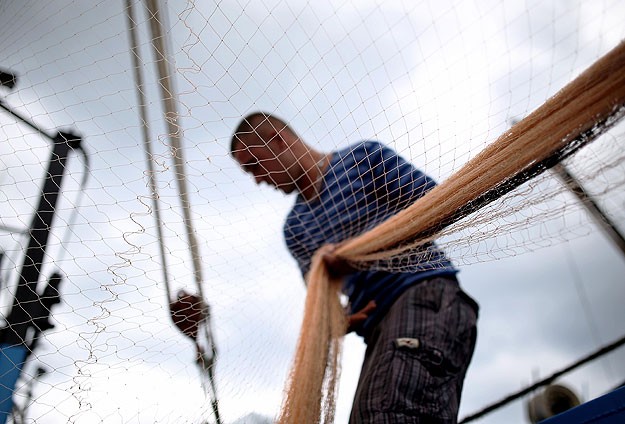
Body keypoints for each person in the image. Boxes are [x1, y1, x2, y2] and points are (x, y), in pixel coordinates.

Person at [230, 112, 479, 424]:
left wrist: (355, 253)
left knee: (386, 415)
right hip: (378, 330)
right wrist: (340, 320)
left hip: (425, 296)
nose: (257, 180)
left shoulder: (363, 159)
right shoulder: (295, 229)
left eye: (255, 165)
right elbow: (324, 303)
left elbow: (437, 205)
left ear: (279, 141)